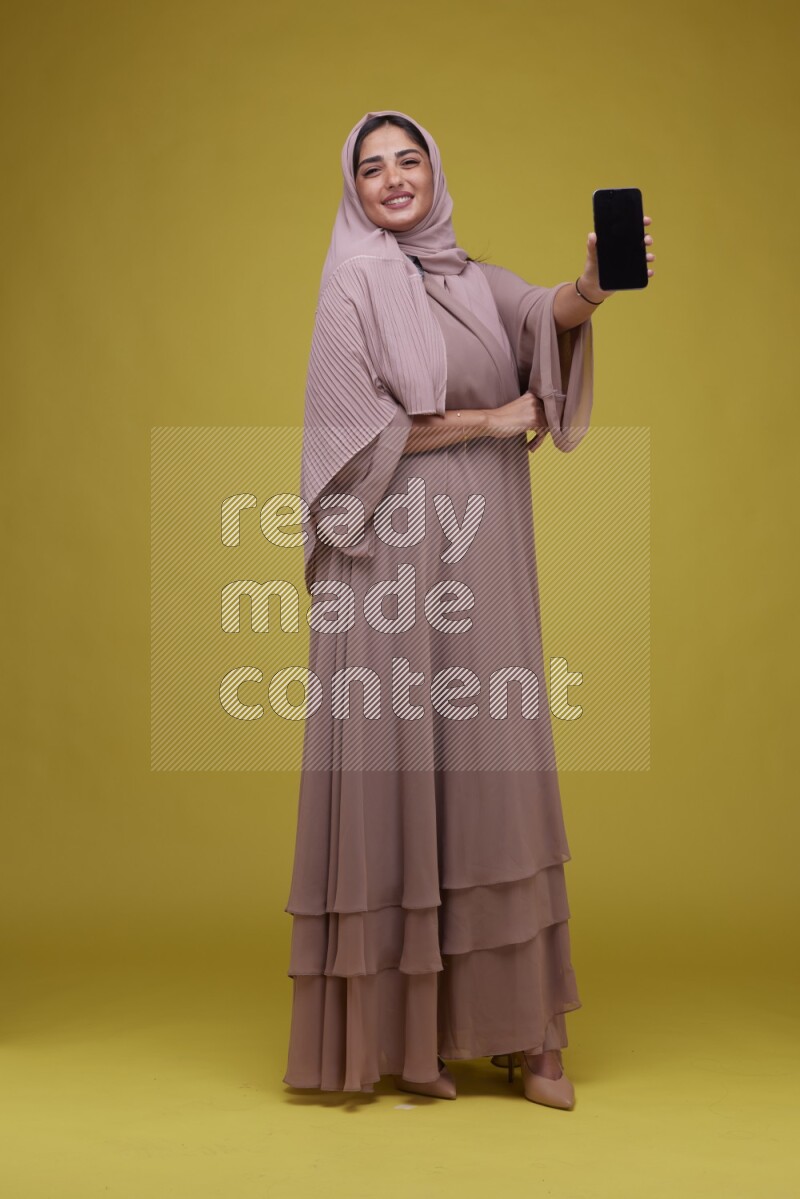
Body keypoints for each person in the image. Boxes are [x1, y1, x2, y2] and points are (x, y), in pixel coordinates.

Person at [282, 109, 655, 1108]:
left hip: (482, 552)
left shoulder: (468, 279)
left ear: (433, 172)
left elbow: (541, 316)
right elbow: (357, 442)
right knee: (402, 771)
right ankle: (413, 1043)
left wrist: (591, 285)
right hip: (389, 562)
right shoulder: (352, 284)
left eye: (408, 160)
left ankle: (526, 1035)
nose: (393, 179)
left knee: (494, 773)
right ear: (353, 188)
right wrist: (490, 419)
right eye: (372, 167)